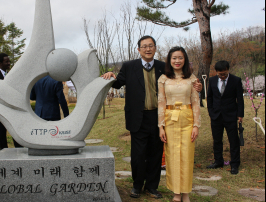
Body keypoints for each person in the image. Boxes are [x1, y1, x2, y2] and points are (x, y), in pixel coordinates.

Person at [102, 36, 202, 199]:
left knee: (156, 153)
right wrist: (109, 74)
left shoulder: (164, 67)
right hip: (137, 116)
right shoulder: (129, 66)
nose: (148, 49)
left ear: (155, 48)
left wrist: (198, 86)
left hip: (159, 117)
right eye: (144, 46)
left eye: (151, 46)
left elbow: (181, 81)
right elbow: (118, 83)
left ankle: (152, 186)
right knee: (138, 154)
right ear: (139, 49)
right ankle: (137, 185)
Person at [158, 46, 201, 202]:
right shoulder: (163, 79)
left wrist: (196, 125)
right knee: (172, 156)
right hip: (170, 119)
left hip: (187, 118)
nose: (177, 61)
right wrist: (160, 126)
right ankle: (176, 193)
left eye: (180, 58)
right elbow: (161, 103)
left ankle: (186, 193)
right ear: (170, 60)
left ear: (185, 60)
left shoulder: (192, 79)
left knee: (187, 156)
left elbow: (196, 103)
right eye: (174, 58)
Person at [206, 60, 244, 175]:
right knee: (217, 140)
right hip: (216, 116)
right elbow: (210, 98)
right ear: (216, 72)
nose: (222, 76)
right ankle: (218, 161)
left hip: (231, 115)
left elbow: (240, 99)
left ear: (228, 70)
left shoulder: (236, 80)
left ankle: (235, 163)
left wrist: (240, 114)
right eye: (220, 74)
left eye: (225, 73)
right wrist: (211, 112)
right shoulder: (212, 80)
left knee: (233, 141)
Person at [0, 53, 22, 149]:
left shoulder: (12, 75)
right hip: (1, 110)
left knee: (16, 132)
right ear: (0, 63)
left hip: (12, 110)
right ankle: (3, 152)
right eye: (6, 61)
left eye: (9, 61)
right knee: (1, 133)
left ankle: (18, 151)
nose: (9, 63)